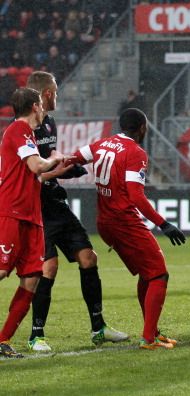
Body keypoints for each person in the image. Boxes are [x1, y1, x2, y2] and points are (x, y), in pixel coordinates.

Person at [24, 71, 128, 352]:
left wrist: (67, 169)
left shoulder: (50, 125)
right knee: (49, 266)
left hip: (55, 203)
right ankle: (36, 335)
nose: (57, 96)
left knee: (88, 257)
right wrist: (58, 169)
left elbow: (49, 166)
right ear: (46, 94)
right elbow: (28, 176)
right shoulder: (23, 130)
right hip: (35, 208)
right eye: (55, 92)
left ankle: (99, 328)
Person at [69, 108, 186, 350]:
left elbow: (74, 158)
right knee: (159, 274)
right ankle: (149, 339)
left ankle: (151, 331)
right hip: (123, 221)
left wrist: (74, 168)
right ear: (142, 128)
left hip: (105, 221)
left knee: (148, 273)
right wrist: (164, 224)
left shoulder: (102, 144)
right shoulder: (135, 152)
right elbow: (136, 195)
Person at [0, 87, 68, 358]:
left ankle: (3, 340)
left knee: (31, 278)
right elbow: (36, 166)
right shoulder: (17, 129)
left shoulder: (26, 135)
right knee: (2, 271)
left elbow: (35, 176)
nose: (44, 109)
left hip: (31, 216)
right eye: (41, 104)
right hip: (13, 212)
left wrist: (59, 169)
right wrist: (54, 158)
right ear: (34, 106)